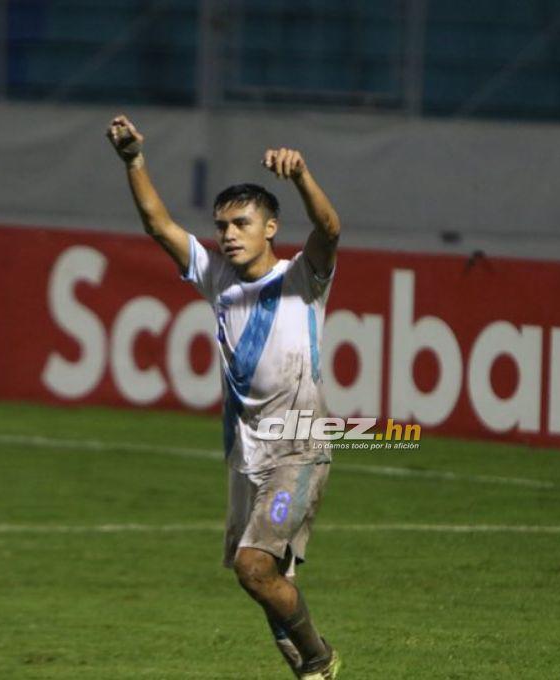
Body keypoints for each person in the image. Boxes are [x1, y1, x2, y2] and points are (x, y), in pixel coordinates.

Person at [107, 115, 343, 679]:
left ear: (270, 228)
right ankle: (309, 669)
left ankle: (319, 659)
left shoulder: (302, 277)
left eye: (242, 223)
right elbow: (158, 224)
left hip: (299, 451)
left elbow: (330, 228)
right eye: (222, 226)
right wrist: (134, 160)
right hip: (246, 457)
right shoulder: (218, 279)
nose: (229, 234)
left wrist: (303, 175)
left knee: (254, 566)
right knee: (262, 578)